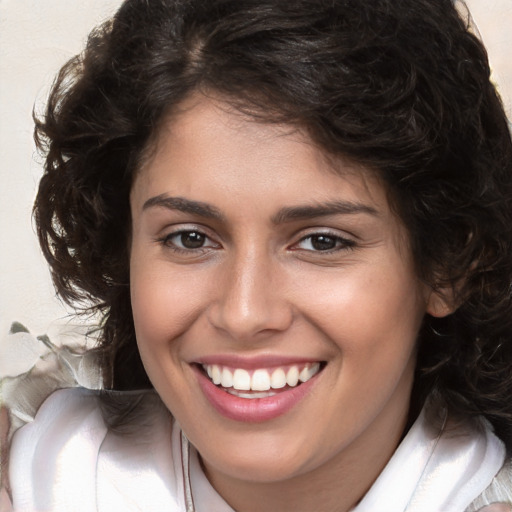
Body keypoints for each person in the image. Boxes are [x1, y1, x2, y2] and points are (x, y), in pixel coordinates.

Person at [5, 0, 512, 510]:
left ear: (449, 264)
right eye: (190, 238)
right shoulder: (41, 469)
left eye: (322, 241)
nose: (244, 314)